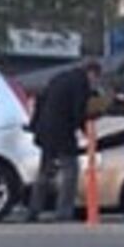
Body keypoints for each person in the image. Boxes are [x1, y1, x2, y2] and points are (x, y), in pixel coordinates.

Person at [25, 60, 97, 222]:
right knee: (71, 170)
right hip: (62, 131)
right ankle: (64, 212)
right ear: (91, 74)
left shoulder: (59, 77)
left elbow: (41, 100)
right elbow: (78, 110)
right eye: (94, 79)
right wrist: (86, 131)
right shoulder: (81, 83)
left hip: (45, 130)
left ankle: (33, 211)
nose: (93, 83)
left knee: (44, 171)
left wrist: (35, 126)